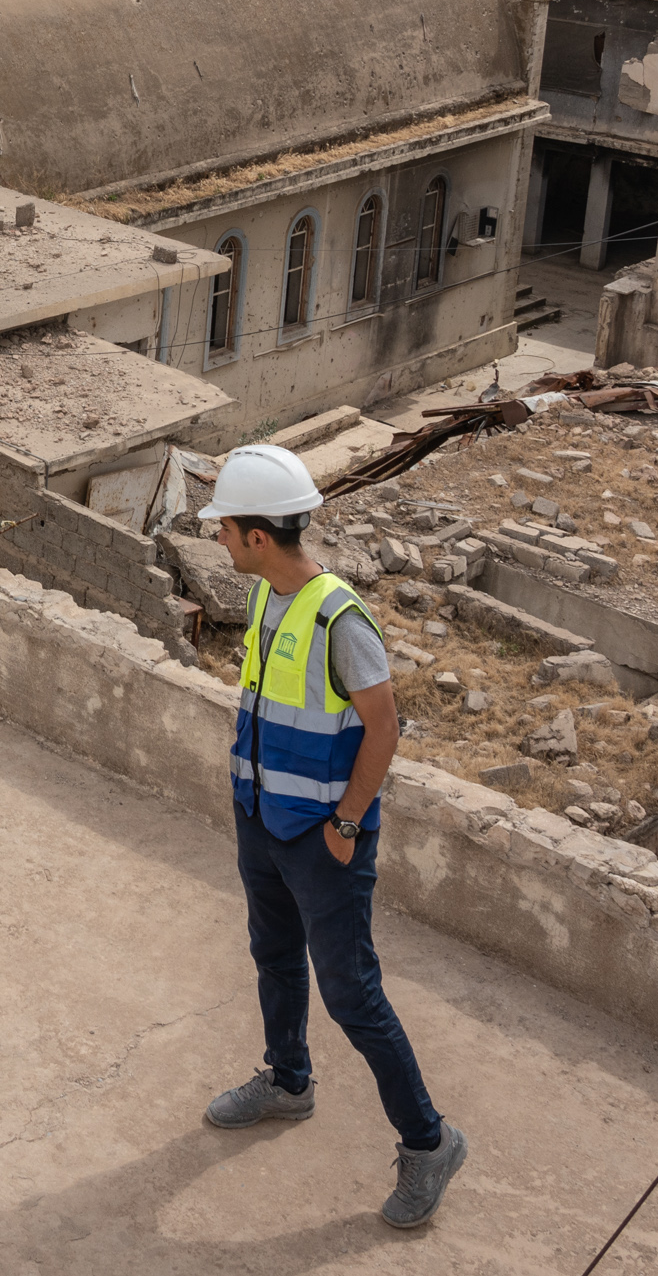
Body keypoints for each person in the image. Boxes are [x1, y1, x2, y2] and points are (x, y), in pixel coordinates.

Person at [199, 442, 468, 1230]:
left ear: (256, 536)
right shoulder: (264, 598)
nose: (217, 539)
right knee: (273, 955)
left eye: (225, 528)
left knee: (353, 993)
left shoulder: (341, 618)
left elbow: (384, 729)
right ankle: (288, 1080)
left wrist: (347, 822)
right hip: (264, 818)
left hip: (323, 837)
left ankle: (429, 1140)